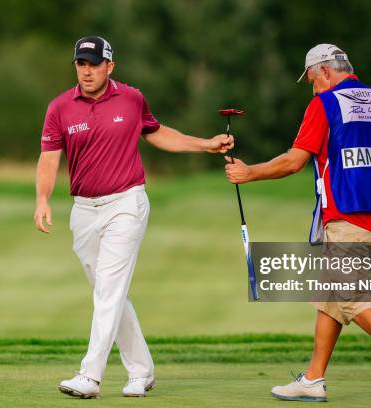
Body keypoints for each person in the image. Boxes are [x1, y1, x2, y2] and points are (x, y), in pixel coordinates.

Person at [224, 44, 371, 407]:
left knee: (350, 297)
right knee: (331, 298)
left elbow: (294, 162)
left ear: (324, 72)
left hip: (344, 219)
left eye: (311, 80)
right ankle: (313, 379)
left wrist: (249, 173)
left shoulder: (323, 104)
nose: (312, 88)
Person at [34, 35, 233, 399]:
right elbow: (49, 158)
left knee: (108, 291)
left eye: (94, 64)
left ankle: (89, 377)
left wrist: (204, 144)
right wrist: (42, 199)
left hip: (126, 203)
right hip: (83, 210)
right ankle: (141, 371)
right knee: (110, 293)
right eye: (81, 64)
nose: (87, 71)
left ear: (110, 66)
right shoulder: (60, 108)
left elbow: (157, 134)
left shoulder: (131, 98)